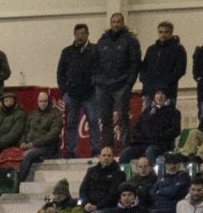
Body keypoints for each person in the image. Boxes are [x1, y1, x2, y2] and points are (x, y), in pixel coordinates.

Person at [95, 12, 142, 154]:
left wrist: (129, 83)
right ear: (110, 23)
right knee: (105, 119)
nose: (116, 24)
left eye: (118, 22)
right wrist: (96, 80)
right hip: (103, 86)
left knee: (123, 118)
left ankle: (125, 149)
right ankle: (107, 149)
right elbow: (95, 62)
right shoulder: (102, 40)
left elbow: (135, 63)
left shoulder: (131, 40)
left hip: (122, 85)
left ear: (123, 23)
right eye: (113, 22)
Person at [57, 23, 101, 158]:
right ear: (74, 35)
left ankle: (95, 150)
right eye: (77, 34)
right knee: (70, 124)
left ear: (87, 34)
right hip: (72, 95)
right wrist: (63, 92)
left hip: (91, 94)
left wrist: (96, 86)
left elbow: (101, 70)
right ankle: (70, 151)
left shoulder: (95, 50)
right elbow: (60, 73)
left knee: (94, 121)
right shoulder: (66, 52)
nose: (79, 37)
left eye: (82, 34)